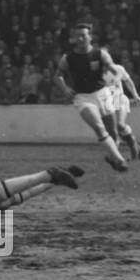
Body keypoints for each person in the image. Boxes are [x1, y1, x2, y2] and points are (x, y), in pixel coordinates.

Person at [55, 23, 129, 172]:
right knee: (99, 128)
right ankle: (120, 160)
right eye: (78, 36)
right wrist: (64, 88)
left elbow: (117, 71)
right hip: (83, 98)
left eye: (84, 35)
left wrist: (116, 79)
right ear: (74, 38)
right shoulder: (68, 59)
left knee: (113, 132)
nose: (81, 38)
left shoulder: (100, 54)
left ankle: (113, 157)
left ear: (90, 37)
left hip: (103, 94)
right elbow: (57, 76)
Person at [98, 61, 140, 161]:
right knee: (112, 129)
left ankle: (128, 146)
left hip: (119, 99)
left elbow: (128, 81)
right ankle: (137, 148)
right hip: (106, 102)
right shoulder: (95, 74)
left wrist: (135, 95)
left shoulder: (118, 68)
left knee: (120, 124)